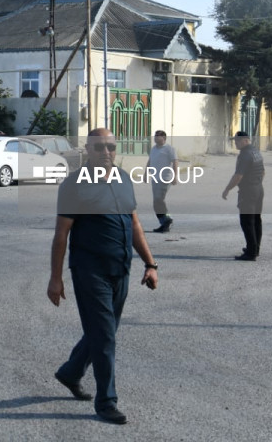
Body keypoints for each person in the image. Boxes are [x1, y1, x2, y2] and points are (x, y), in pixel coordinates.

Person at [48, 127, 159, 425]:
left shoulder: (123, 179)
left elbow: (134, 223)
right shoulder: (74, 185)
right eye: (99, 148)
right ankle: (106, 402)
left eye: (111, 146)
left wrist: (150, 264)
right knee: (105, 335)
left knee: (104, 331)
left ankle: (70, 372)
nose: (106, 152)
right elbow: (61, 235)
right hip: (89, 271)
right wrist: (55, 278)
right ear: (88, 150)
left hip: (120, 269)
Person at [222, 131, 265, 261]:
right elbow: (263, 172)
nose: (236, 143)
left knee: (247, 222)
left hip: (248, 191)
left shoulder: (245, 155)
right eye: (235, 141)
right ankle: (255, 248)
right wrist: (256, 183)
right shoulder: (256, 152)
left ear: (245, 140)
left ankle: (251, 253)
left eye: (237, 141)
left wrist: (227, 189)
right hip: (258, 189)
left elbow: (238, 176)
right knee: (256, 220)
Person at [146, 130, 179, 232]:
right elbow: (150, 161)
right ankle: (164, 223)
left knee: (159, 199)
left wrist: (175, 176)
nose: (155, 138)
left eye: (158, 136)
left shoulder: (169, 149)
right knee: (156, 202)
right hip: (155, 178)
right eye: (155, 136)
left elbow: (175, 162)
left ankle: (167, 218)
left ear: (164, 138)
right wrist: (145, 173)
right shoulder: (153, 149)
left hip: (165, 178)